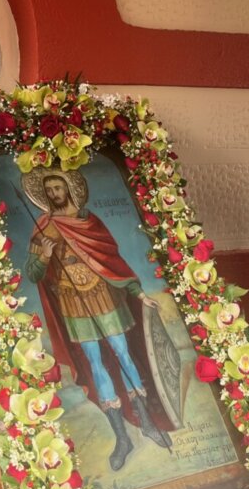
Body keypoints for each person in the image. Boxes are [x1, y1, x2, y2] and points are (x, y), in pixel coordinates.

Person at [23, 170, 173, 471]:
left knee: (123, 354)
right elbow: (33, 273)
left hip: (103, 295)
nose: (54, 194)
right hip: (72, 302)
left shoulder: (88, 221)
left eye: (58, 187)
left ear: (69, 189)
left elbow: (111, 261)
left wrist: (139, 293)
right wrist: (44, 256)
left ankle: (146, 422)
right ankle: (122, 438)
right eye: (49, 190)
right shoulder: (43, 227)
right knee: (95, 362)